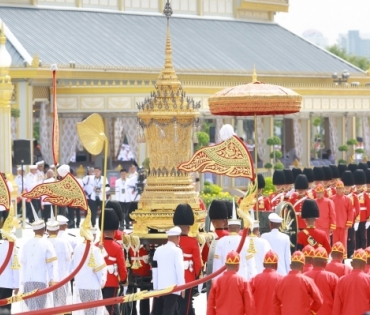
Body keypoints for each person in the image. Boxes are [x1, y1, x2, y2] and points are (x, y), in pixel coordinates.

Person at [20, 203, 58, 311]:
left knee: (31, 310)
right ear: (44, 230)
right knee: (40, 310)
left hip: (27, 281)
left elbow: (23, 263)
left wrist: (22, 281)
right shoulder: (46, 243)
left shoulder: (26, 243)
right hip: (40, 281)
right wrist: (52, 280)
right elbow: (51, 263)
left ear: (33, 230)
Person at [213, 201, 257, 281]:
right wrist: (252, 279)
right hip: (242, 279)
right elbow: (251, 263)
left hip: (224, 280)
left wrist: (215, 281)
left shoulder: (221, 241)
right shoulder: (246, 241)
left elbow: (217, 264)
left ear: (228, 228)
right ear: (239, 228)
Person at [173, 204, 202, 315]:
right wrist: (196, 275)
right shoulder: (193, 242)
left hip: (173, 278)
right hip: (188, 278)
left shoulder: (171, 241)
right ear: (189, 227)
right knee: (186, 305)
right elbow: (197, 263)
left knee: (175, 305)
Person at [273, 251, 323, 315]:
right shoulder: (308, 281)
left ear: (290, 266)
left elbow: (275, 303)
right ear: (303, 267)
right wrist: (311, 311)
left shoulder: (280, 281)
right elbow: (319, 301)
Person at [71, 226, 107, 315]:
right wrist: (102, 282)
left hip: (80, 286)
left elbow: (72, 268)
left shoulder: (77, 248)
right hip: (92, 286)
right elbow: (101, 269)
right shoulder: (95, 250)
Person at [207, 250, 255, 315]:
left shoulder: (217, 282)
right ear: (238, 266)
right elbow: (249, 305)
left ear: (226, 265)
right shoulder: (243, 282)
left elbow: (210, 305)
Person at [99, 208, 127, 315]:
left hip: (98, 282)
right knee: (110, 310)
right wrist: (123, 279)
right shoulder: (117, 247)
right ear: (115, 231)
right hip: (111, 282)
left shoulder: (97, 246)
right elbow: (122, 266)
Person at [152, 226, 185, 315]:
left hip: (160, 287)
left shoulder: (158, 250)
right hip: (173, 288)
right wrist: (182, 287)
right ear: (178, 237)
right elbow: (180, 269)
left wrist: (155, 288)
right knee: (169, 311)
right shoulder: (177, 251)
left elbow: (154, 270)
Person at [46, 208, 73, 307]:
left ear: (47, 230)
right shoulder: (64, 242)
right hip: (62, 278)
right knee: (62, 306)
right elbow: (69, 259)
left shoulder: (44, 242)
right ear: (58, 230)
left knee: (50, 306)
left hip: (48, 279)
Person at [332, 249, 370, 315]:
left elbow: (337, 306)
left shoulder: (341, 280)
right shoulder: (368, 280)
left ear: (351, 264)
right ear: (364, 265)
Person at [304, 247, 339, 315]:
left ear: (312, 261)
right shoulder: (333, 277)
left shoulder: (304, 277)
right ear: (326, 263)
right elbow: (338, 301)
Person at [251, 250, 282, 315]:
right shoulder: (281, 280)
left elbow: (247, 299)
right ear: (276, 265)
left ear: (263, 264)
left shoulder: (254, 279)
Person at [0, 225, 19, 313]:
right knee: (6, 309)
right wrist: (16, 285)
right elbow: (15, 267)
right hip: (8, 283)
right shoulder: (13, 249)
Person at [331, 180, 353, 258]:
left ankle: (343, 258)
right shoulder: (332, 199)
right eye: (337, 188)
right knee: (335, 242)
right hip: (335, 225)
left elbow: (350, 212)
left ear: (343, 189)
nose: (339, 190)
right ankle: (335, 257)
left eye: (340, 188)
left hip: (344, 225)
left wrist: (348, 223)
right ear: (335, 189)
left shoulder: (347, 199)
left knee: (343, 242)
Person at [342, 170, 359, 257]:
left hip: (351, 220)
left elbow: (357, 208)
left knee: (351, 237)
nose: (347, 188)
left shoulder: (354, 196)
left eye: (348, 186)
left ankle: (351, 252)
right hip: (342, 220)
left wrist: (356, 220)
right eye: (345, 186)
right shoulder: (341, 196)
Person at [353, 169, 370, 249]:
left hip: (363, 219)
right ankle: (356, 250)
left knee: (363, 236)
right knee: (356, 237)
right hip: (355, 219)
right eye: (357, 184)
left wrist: (368, 219)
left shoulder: (365, 195)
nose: (358, 186)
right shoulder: (353, 194)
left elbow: (368, 207)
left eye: (360, 184)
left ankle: (363, 249)